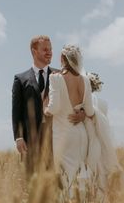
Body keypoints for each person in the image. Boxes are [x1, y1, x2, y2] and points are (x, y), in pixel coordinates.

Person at [11, 36, 85, 174]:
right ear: (34, 52)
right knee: (32, 181)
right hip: (30, 140)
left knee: (56, 180)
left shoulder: (61, 75)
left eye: (50, 49)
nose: (49, 52)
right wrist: (18, 137)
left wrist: (82, 113)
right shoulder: (20, 79)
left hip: (57, 136)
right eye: (45, 49)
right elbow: (16, 111)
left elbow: (77, 99)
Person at [44, 45, 100, 195]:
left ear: (62, 59)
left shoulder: (55, 78)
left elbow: (54, 108)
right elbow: (89, 111)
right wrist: (80, 113)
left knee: (65, 176)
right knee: (80, 174)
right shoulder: (85, 80)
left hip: (63, 135)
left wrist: (45, 109)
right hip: (81, 134)